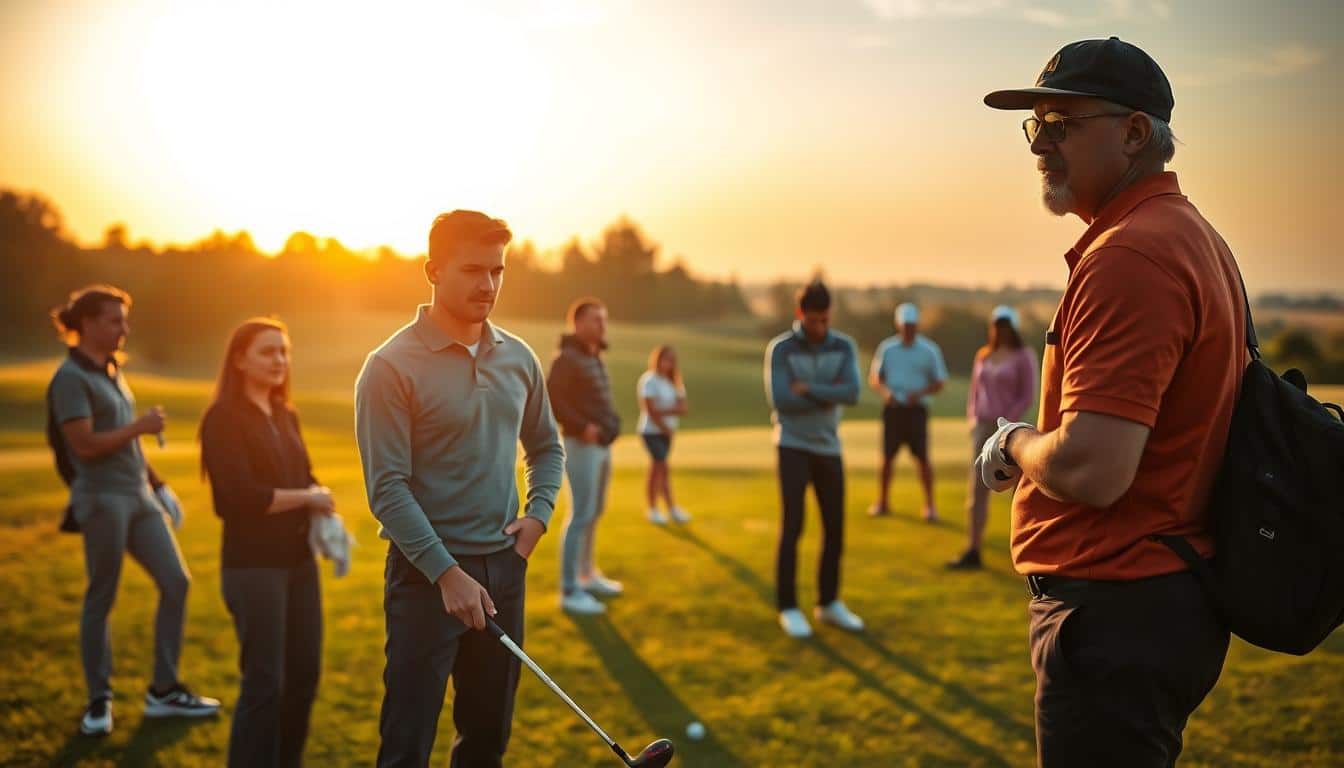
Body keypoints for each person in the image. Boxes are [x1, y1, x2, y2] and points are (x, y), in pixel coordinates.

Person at [978, 37, 1244, 766]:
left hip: (1114, 608)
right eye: (1035, 127)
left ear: (1133, 133)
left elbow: (1095, 469)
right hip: (1153, 600)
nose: (1041, 146)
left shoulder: (1130, 254)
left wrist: (1013, 444)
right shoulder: (1190, 235)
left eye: (1061, 125)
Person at [355, 210, 565, 767]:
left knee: (486, 739)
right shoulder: (389, 367)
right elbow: (387, 488)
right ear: (432, 270)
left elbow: (546, 447)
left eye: (498, 271)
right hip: (426, 577)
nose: (488, 285)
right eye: (473, 270)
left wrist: (537, 518)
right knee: (407, 743)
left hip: (503, 567)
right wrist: (447, 574)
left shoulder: (519, 358)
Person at [45, 285, 220, 737]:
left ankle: (164, 690)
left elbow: (127, 444)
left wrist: (160, 486)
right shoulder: (70, 378)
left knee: (176, 582)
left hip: (138, 497)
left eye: (124, 320)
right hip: (101, 499)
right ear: (87, 324)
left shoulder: (111, 371)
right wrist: (139, 427)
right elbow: (83, 446)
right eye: (115, 320)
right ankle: (98, 701)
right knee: (101, 596)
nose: (124, 328)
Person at [200, 318, 332, 767]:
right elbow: (236, 499)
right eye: (267, 352)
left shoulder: (285, 413)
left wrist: (318, 498)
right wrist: (308, 498)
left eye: (284, 351)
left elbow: (304, 476)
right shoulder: (222, 419)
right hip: (254, 568)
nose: (279, 360)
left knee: (304, 676)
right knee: (265, 683)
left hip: (299, 564)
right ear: (240, 360)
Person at [764, 280, 865, 638]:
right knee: (793, 526)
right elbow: (781, 399)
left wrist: (808, 389)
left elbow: (852, 393)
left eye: (824, 320)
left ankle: (828, 603)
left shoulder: (844, 346)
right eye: (813, 321)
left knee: (834, 528)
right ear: (799, 314)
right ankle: (789, 607)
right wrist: (828, 394)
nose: (819, 327)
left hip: (828, 447)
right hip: (791, 445)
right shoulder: (781, 350)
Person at [546, 298, 623, 614]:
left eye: (603, 320)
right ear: (577, 323)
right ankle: (569, 590)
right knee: (580, 514)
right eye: (595, 320)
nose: (601, 326)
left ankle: (587, 574)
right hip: (581, 445)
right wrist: (582, 427)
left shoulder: (593, 356)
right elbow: (553, 397)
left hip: (602, 445)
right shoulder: (567, 358)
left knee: (594, 511)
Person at [947, 305, 1037, 570]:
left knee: (1017, 490)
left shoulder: (1023, 356)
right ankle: (973, 549)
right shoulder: (984, 355)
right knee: (976, 490)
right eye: (997, 324)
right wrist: (974, 421)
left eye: (1005, 325)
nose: (1001, 329)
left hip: (1010, 431)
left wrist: (1006, 425)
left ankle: (1024, 550)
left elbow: (1026, 395)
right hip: (983, 427)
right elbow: (975, 392)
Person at [868, 302, 948, 522]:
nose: (908, 329)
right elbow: (875, 378)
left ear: (917, 325)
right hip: (893, 409)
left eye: (911, 325)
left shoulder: (929, 350)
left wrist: (921, 393)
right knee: (886, 459)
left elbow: (940, 381)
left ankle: (930, 506)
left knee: (923, 460)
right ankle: (883, 502)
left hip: (917, 410)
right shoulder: (887, 348)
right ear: (898, 325)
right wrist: (886, 393)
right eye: (905, 325)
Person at [637, 345, 689, 525]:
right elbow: (650, 410)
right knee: (659, 467)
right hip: (651, 432)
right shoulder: (649, 380)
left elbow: (683, 408)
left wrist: (664, 412)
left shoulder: (674, 381)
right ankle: (653, 509)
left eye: (671, 360)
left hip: (667, 433)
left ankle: (671, 508)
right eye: (665, 359)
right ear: (657, 360)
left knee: (662, 470)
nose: (668, 363)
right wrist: (665, 423)